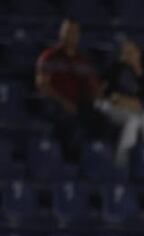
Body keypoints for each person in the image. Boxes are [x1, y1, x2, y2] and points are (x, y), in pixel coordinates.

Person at [35, 19, 102, 160]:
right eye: (67, 32)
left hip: (78, 103)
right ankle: (70, 163)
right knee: (71, 120)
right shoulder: (49, 56)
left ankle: (96, 161)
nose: (69, 35)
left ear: (78, 35)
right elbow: (42, 84)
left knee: (101, 120)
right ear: (61, 33)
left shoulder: (83, 60)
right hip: (54, 102)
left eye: (73, 32)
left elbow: (94, 86)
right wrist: (63, 102)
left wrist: (97, 98)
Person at [96, 39, 144, 168]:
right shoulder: (116, 68)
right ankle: (121, 164)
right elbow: (101, 92)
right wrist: (116, 100)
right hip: (110, 107)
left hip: (129, 108)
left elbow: (141, 102)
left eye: (131, 52)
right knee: (133, 120)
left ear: (138, 53)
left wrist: (126, 101)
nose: (127, 55)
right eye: (125, 52)